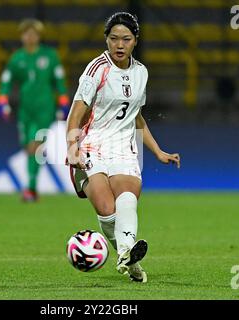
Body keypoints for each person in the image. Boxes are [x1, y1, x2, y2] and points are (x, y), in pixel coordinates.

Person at [66, 12, 181, 283]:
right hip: (91, 144)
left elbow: (135, 116)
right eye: (114, 38)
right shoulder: (96, 70)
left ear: (135, 41)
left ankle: (127, 253)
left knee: (127, 196)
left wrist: (157, 150)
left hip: (124, 148)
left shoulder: (141, 72)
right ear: (106, 39)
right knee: (107, 211)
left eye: (126, 39)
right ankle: (131, 263)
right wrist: (72, 147)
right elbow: (76, 113)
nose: (119, 45)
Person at [0, 18, 71, 202]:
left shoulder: (50, 56)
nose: (30, 37)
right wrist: (2, 100)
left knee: (34, 145)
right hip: (25, 110)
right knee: (28, 147)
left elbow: (59, 82)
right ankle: (31, 186)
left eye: (33, 34)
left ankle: (30, 188)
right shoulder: (17, 58)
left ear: (38, 36)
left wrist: (63, 101)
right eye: (26, 33)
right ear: (22, 36)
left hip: (44, 108)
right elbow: (6, 80)